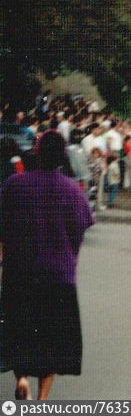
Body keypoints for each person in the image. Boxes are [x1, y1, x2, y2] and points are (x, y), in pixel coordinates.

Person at [0, 130, 94, 400]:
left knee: (20, 334)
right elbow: (79, 232)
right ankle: (41, 400)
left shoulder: (14, 185)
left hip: (19, 274)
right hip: (59, 277)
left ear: (37, 154)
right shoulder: (73, 192)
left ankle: (22, 380)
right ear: (63, 157)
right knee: (51, 344)